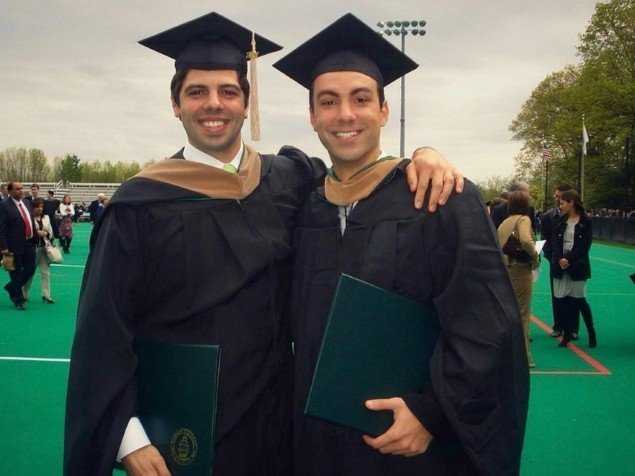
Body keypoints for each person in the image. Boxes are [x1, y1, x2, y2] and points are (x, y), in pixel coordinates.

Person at [63, 11, 464, 476]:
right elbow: (103, 330)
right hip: (185, 427)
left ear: (246, 102)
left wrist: (423, 155)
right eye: (197, 92)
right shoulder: (140, 204)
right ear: (176, 104)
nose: (214, 104)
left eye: (228, 91)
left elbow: (360, 176)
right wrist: (128, 437)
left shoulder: (288, 179)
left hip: (281, 424)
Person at [274, 13, 529, 476]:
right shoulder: (304, 205)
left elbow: (487, 327)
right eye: (328, 102)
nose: (345, 114)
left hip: (407, 447)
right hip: (317, 444)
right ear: (312, 116)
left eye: (361, 99)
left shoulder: (438, 199)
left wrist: (431, 412)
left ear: (384, 110)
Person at [497, 191, 539, 368]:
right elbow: (527, 241)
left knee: (507, 312)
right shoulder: (523, 219)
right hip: (520, 269)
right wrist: (535, 256)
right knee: (522, 313)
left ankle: (504, 353)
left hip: (505, 269)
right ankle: (524, 356)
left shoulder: (504, 223)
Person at [551, 189, 596, 348]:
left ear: (571, 203)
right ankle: (567, 334)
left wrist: (568, 259)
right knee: (562, 301)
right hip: (561, 265)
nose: (560, 206)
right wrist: (559, 259)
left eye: (562, 203)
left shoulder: (586, 221)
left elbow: (584, 246)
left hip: (577, 266)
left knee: (579, 300)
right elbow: (555, 243)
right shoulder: (560, 221)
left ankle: (591, 332)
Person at [540, 183, 573, 337]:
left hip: (574, 262)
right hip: (555, 261)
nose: (556, 198)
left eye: (559, 196)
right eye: (556, 195)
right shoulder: (548, 216)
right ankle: (558, 326)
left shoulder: (578, 216)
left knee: (573, 296)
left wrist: (571, 258)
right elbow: (544, 240)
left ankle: (572, 329)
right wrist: (553, 257)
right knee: (557, 295)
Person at [0, 181, 37, 310]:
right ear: (10, 191)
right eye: (17, 189)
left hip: (29, 242)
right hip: (13, 245)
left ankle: (11, 287)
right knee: (15, 272)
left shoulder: (27, 202)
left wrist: (35, 237)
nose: (21, 191)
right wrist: (4, 247)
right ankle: (18, 300)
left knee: (31, 268)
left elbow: (31, 221)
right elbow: (1, 228)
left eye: (21, 188)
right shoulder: (4, 206)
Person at [23, 198, 55, 304]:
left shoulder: (46, 217)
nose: (40, 209)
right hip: (33, 249)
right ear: (33, 208)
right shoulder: (29, 218)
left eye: (41, 207)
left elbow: (51, 232)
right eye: (37, 207)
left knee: (46, 273)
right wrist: (37, 233)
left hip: (44, 249)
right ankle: (24, 293)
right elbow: (26, 233)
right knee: (30, 273)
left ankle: (46, 295)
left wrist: (46, 234)